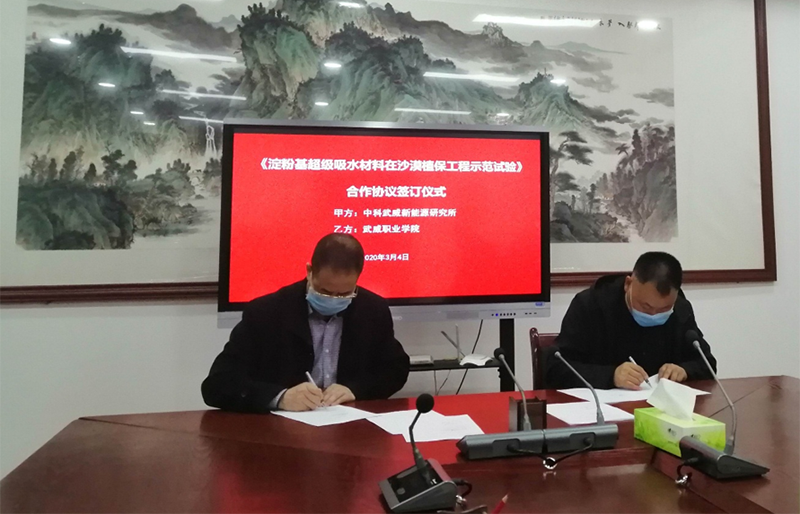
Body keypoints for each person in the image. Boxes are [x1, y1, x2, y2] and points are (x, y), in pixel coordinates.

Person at [202, 233, 410, 412]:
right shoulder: (266, 312)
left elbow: (395, 369)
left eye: (344, 294)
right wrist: (280, 397)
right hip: (281, 432)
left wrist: (355, 390)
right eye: (325, 291)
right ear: (309, 272)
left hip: (349, 426)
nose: (334, 299)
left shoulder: (373, 310)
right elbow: (217, 384)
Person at [545, 252, 716, 390]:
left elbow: (707, 364)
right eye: (645, 306)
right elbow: (555, 369)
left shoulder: (680, 309)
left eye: (664, 309)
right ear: (628, 284)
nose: (653, 314)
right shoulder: (590, 305)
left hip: (660, 411)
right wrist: (611, 375)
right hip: (602, 412)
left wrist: (684, 371)